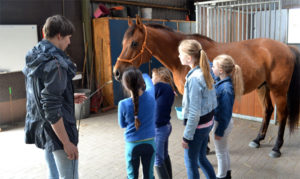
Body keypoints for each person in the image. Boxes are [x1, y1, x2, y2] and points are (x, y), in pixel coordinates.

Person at [23, 14, 86, 179]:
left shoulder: (34, 57)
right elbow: (51, 108)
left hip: (45, 130)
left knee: (54, 175)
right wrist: (66, 143)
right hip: (59, 133)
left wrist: (68, 98)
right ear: (59, 36)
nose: (69, 42)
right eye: (68, 38)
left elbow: (41, 95)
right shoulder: (56, 64)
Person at [178, 39, 217, 179]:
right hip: (207, 124)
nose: (178, 56)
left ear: (188, 58)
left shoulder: (194, 78)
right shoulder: (204, 71)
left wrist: (186, 137)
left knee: (191, 163)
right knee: (201, 158)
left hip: (198, 129)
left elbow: (194, 113)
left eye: (180, 54)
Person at [118, 67, 156, 179]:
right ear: (141, 83)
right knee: (149, 175)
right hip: (150, 143)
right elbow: (149, 81)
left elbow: (122, 125)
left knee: (132, 176)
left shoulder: (123, 104)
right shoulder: (151, 96)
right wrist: (142, 74)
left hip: (132, 145)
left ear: (126, 86)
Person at [211, 54, 244, 179]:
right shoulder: (222, 81)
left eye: (213, 66)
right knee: (224, 150)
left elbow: (224, 113)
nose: (211, 68)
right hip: (225, 123)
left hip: (222, 124)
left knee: (220, 153)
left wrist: (219, 131)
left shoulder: (225, 89)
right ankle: (227, 173)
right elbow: (212, 69)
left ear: (220, 70)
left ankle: (221, 175)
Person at [152, 67, 176, 179]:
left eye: (153, 76)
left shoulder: (159, 86)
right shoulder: (169, 88)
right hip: (166, 126)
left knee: (158, 160)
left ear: (160, 76)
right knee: (164, 155)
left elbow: (146, 94)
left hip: (159, 128)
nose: (152, 79)